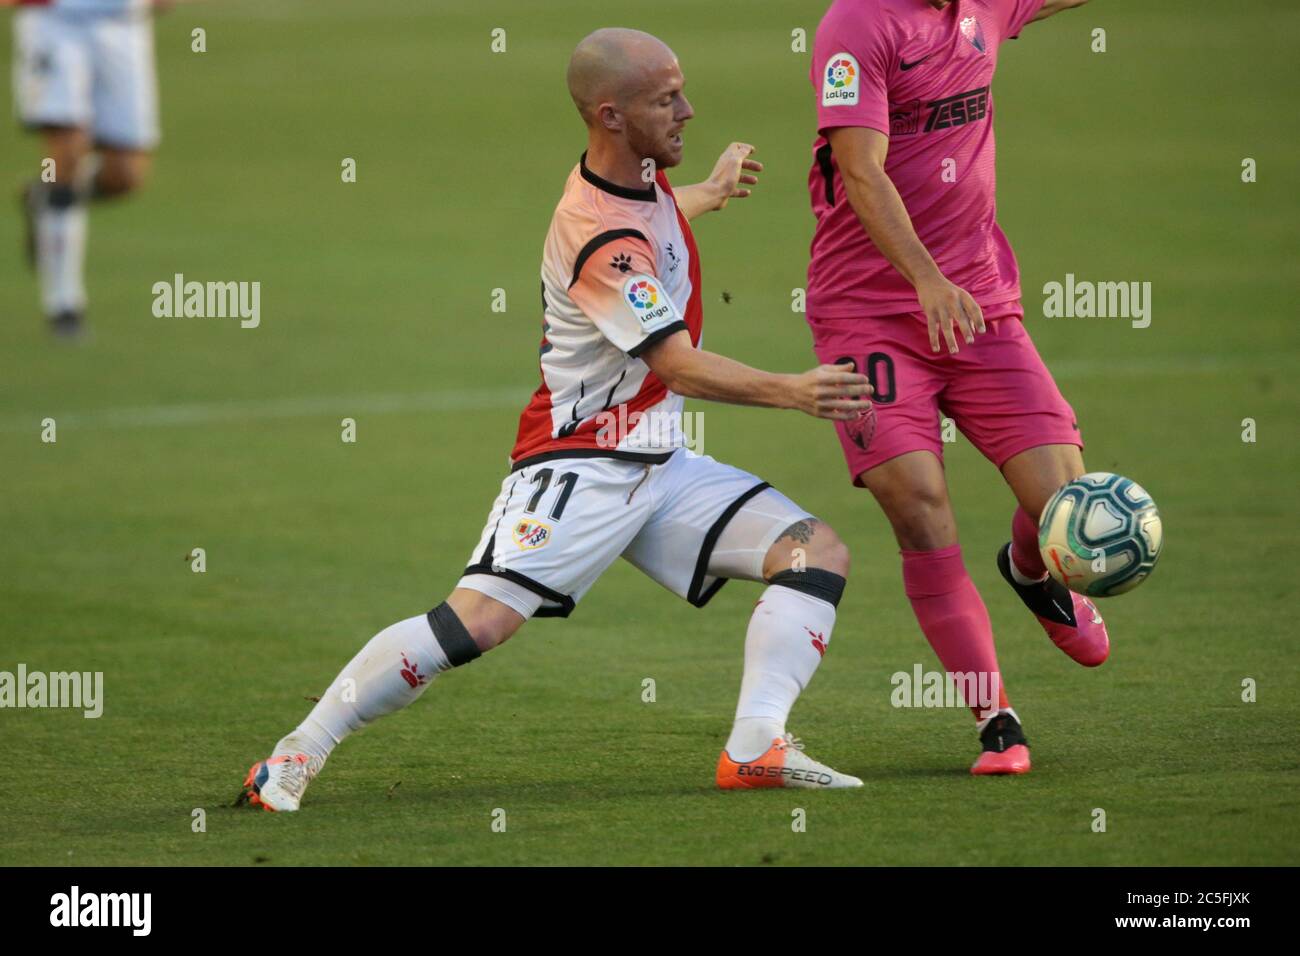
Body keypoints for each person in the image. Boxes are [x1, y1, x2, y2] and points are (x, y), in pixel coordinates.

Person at [236, 27, 875, 811]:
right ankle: (294, 757)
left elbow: (660, 218)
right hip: (578, 464)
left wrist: (707, 191)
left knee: (814, 553)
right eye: (666, 99)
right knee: (475, 625)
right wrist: (794, 391)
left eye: (682, 90)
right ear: (610, 115)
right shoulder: (602, 237)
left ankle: (756, 747)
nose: (689, 109)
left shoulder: (639, 185)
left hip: (657, 462)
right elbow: (672, 362)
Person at [805, 0, 1095, 774]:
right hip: (868, 315)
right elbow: (860, 168)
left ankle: (1030, 571)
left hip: (978, 304)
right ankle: (996, 719)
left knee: (1070, 517)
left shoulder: (990, 7)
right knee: (918, 503)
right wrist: (924, 278)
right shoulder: (856, 26)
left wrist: (947, 283)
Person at [12, 0, 160, 337]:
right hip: (55, 20)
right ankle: (64, 306)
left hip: (124, 24)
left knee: (125, 176)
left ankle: (43, 198)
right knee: (66, 151)